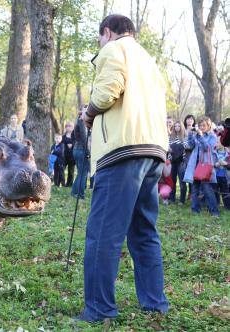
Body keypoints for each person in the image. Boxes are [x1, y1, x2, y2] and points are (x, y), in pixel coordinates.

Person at [77, 15, 169, 323]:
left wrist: (89, 113)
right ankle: (155, 304)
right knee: (144, 232)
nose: (99, 44)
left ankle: (99, 310)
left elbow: (107, 91)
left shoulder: (115, 49)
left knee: (103, 233)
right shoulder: (149, 61)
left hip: (121, 151)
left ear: (107, 32)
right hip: (153, 151)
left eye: (99, 38)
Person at [183, 116, 219, 217]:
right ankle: (195, 210)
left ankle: (214, 211)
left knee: (207, 189)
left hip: (205, 166)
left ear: (208, 126)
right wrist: (190, 135)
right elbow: (190, 145)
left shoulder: (212, 136)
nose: (202, 127)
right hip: (195, 165)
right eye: (200, 125)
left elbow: (206, 148)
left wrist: (201, 136)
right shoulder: (196, 135)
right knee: (195, 188)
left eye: (204, 125)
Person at [70, 111, 90, 199]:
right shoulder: (81, 122)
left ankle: (74, 192)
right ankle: (80, 194)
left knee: (80, 173)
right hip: (81, 150)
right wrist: (88, 152)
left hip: (77, 149)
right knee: (83, 173)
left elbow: (74, 136)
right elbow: (84, 138)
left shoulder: (78, 121)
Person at [168, 120, 188, 204]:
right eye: (175, 126)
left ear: (181, 127)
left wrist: (182, 143)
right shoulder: (171, 137)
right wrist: (168, 149)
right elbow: (167, 147)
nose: (177, 127)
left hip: (181, 161)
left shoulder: (185, 136)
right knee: (172, 180)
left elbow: (187, 147)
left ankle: (182, 200)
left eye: (179, 126)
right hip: (172, 161)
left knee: (182, 181)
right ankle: (172, 198)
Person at [213, 140, 230, 209]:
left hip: (225, 176)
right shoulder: (213, 153)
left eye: (217, 142)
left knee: (225, 191)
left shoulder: (228, 154)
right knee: (215, 191)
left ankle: (227, 206)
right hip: (215, 176)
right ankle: (216, 204)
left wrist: (225, 164)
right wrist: (215, 164)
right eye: (216, 142)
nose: (216, 144)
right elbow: (210, 163)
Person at [62, 122, 75, 187]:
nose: (68, 127)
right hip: (64, 155)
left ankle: (69, 184)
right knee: (62, 168)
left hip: (72, 156)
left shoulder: (75, 136)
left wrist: (72, 145)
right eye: (67, 126)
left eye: (70, 126)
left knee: (71, 171)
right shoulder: (63, 136)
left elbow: (76, 143)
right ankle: (63, 183)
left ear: (73, 127)